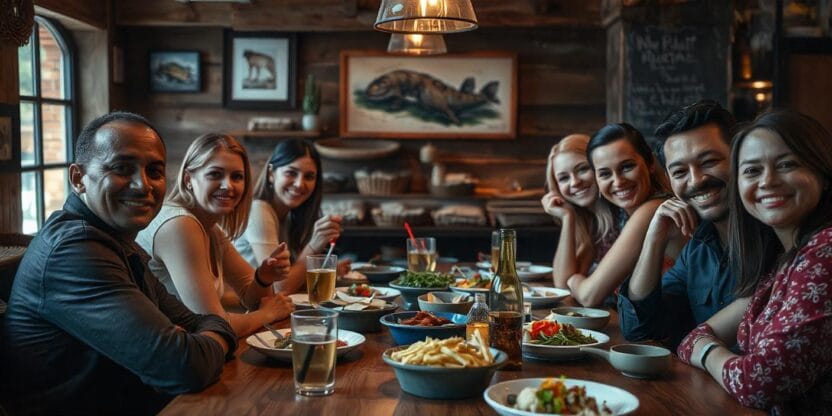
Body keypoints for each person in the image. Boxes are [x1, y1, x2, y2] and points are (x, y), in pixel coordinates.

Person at [0, 112, 237, 415]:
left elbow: (200, 321)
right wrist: (213, 338)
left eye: (155, 171)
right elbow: (182, 366)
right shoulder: (74, 251)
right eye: (122, 168)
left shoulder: (117, 241)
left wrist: (205, 338)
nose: (143, 185)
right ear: (78, 178)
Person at [677, 110, 832, 413]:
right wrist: (717, 353)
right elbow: (689, 340)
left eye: (786, 164)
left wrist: (708, 352)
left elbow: (758, 383)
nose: (768, 181)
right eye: (751, 171)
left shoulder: (824, 251)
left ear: (823, 175)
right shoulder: (784, 264)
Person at [136, 133, 294, 338]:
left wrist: (263, 278)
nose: (228, 185)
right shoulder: (180, 225)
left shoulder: (210, 228)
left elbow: (251, 297)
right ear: (188, 179)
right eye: (215, 174)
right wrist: (267, 314)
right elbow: (213, 324)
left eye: (237, 177)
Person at [619, 100, 737, 349]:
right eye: (680, 172)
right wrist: (654, 237)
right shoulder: (697, 249)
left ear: (740, 158)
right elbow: (639, 329)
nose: (696, 180)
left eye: (709, 162)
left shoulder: (777, 243)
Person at [565, 123, 686, 307]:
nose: (618, 182)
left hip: (684, 331)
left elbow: (589, 296)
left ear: (650, 164)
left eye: (627, 167)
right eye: (605, 174)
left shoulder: (654, 209)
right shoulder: (624, 215)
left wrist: (572, 279)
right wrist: (567, 216)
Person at [234, 139, 348, 295]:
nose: (300, 184)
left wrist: (329, 270)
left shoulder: (288, 217)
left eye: (309, 176)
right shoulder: (258, 211)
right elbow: (279, 288)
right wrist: (314, 245)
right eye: (291, 173)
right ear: (271, 174)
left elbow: (293, 280)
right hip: (244, 314)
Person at [541, 134, 616, 286]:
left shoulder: (621, 215)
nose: (575, 182)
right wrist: (568, 216)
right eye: (563, 178)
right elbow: (562, 284)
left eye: (582, 169)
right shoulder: (593, 224)